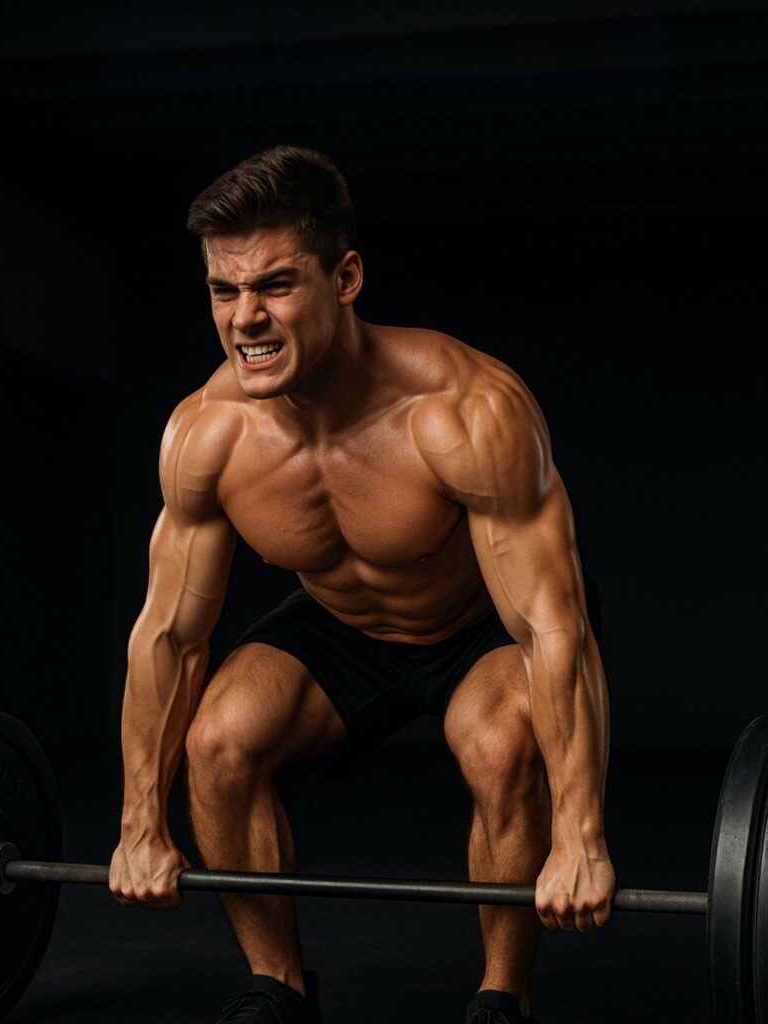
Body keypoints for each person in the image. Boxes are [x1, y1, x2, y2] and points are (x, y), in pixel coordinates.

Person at [108, 145, 614, 1024]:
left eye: (273, 285)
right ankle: (279, 988)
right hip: (341, 627)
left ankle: (503, 996)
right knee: (216, 743)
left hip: (479, 627)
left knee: (502, 746)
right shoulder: (206, 434)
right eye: (224, 292)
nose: (245, 319)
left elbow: (549, 627)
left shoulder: (464, 410)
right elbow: (169, 637)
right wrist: (138, 825)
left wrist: (580, 835)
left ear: (344, 277)